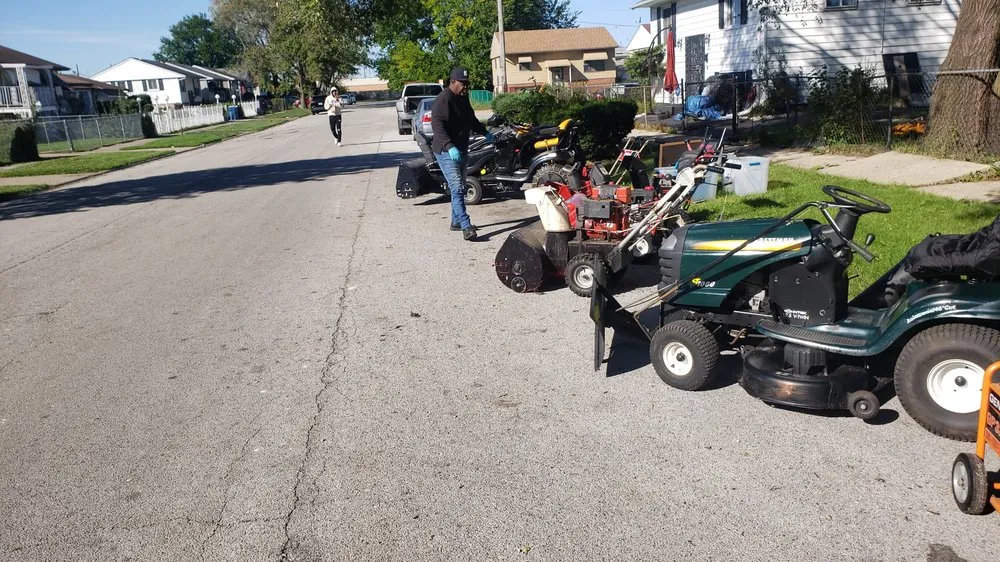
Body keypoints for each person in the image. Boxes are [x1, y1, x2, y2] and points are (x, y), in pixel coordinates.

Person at [431, 67, 494, 241]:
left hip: (462, 149)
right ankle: (466, 226)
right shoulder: (443, 99)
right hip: (446, 151)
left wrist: (485, 133)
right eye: (462, 83)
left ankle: (456, 222)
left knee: (459, 188)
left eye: (467, 83)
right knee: (457, 188)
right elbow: (437, 126)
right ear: (453, 82)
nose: (466, 87)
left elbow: (471, 120)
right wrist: (449, 146)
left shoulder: (463, 99)